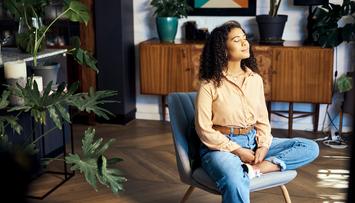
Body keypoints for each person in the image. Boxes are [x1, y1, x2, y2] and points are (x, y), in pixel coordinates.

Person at [195, 20, 319, 203]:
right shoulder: (209, 85)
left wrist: (263, 146)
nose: (245, 43)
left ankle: (253, 170)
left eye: (245, 38)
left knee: (310, 147)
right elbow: (204, 129)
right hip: (220, 147)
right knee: (234, 180)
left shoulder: (255, 80)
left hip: (252, 141)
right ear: (223, 48)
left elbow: (262, 120)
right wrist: (237, 150)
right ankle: (244, 169)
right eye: (237, 40)